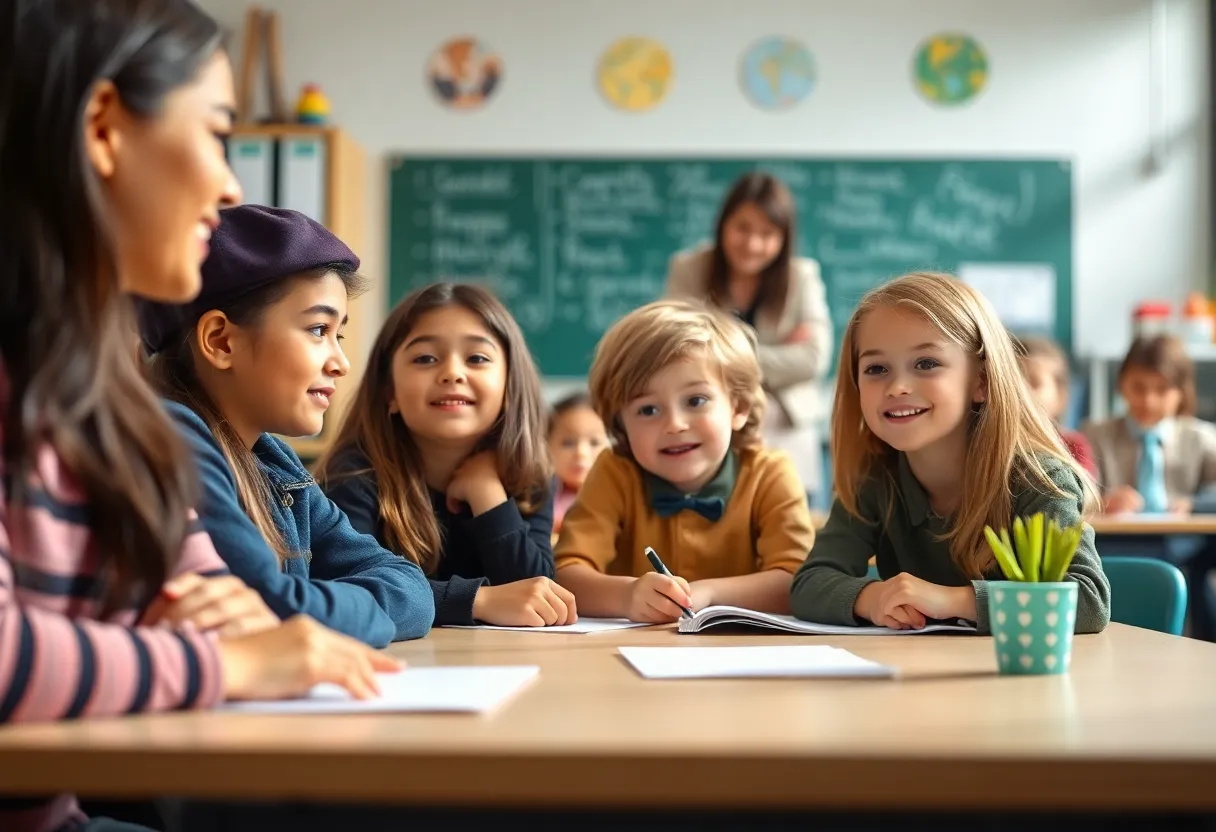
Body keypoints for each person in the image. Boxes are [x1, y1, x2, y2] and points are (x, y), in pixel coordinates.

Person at [0, 3, 397, 830]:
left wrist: (234, 642)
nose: (230, 185)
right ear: (104, 126)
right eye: (217, 133)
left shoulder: (104, 408)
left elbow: (229, 606)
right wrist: (222, 660)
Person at [140, 204, 436, 647]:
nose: (341, 362)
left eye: (339, 334)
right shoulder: (172, 437)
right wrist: (343, 609)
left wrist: (300, 608)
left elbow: (412, 589)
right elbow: (263, 606)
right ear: (221, 340)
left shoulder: (272, 461)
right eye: (319, 330)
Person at [789, 273, 1109, 634]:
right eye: (876, 369)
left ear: (982, 381)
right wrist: (872, 597)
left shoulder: (1037, 477)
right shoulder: (876, 480)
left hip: (1015, 683)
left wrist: (952, 601)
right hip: (915, 680)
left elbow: (1088, 601)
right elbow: (809, 583)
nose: (897, 387)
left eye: (926, 363)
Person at [318, 283, 574, 628]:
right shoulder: (354, 474)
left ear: (510, 386)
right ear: (388, 391)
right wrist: (478, 600)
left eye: (477, 358)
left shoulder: (531, 476)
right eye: (425, 358)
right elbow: (352, 589)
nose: (453, 372)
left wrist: (487, 494)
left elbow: (539, 594)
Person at [555, 299, 815, 622]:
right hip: (628, 658)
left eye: (696, 400)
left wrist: (709, 594)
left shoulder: (770, 473)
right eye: (648, 409)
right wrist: (627, 596)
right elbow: (566, 575)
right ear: (620, 424)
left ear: (738, 407)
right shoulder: (613, 471)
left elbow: (799, 581)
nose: (674, 424)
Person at [665, 171, 832, 501]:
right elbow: (672, 346)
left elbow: (814, 358)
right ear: (723, 223)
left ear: (784, 238)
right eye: (742, 228)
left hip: (786, 425)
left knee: (796, 527)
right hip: (708, 421)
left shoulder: (801, 275)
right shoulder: (689, 268)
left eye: (767, 233)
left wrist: (717, 352)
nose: (753, 244)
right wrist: (776, 354)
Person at [1015, 335, 1097, 478]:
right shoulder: (993, 443)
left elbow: (1086, 497)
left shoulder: (1074, 446)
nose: (1022, 391)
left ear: (1061, 397)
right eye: (1015, 381)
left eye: (1034, 383)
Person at [546, 392, 610, 535]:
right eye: (568, 443)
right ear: (547, 446)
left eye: (594, 442)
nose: (581, 453)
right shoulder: (541, 500)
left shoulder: (618, 496)